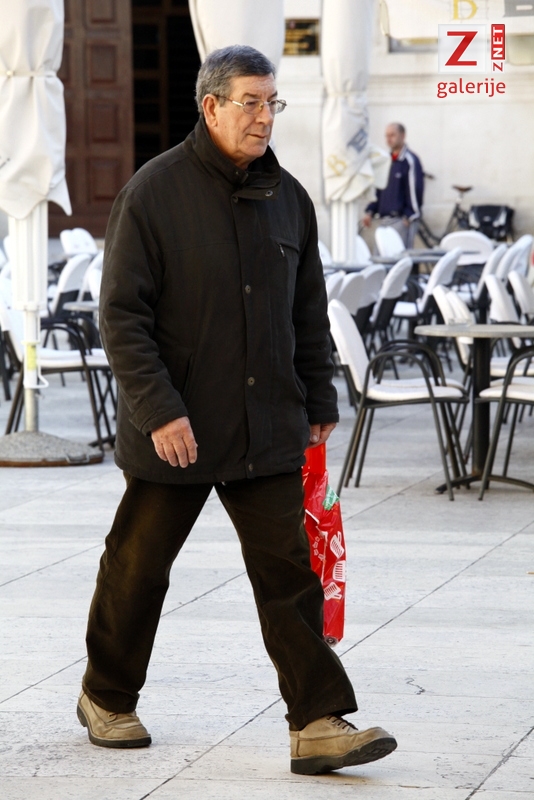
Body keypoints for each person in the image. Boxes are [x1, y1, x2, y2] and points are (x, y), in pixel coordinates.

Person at [77, 45, 397, 776]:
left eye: (271, 102)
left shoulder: (289, 197)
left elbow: (306, 310)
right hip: (178, 427)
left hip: (266, 424)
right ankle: (106, 696)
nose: (264, 117)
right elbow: (121, 316)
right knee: (137, 569)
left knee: (288, 576)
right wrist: (160, 410)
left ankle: (316, 720)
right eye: (250, 102)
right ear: (211, 106)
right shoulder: (152, 193)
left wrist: (319, 394)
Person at [362, 122, 424, 249]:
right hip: (383, 221)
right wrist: (370, 211)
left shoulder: (409, 161)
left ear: (402, 135)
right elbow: (379, 189)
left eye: (392, 135)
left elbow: (415, 190)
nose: (389, 139)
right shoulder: (386, 161)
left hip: (400, 221)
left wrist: (409, 216)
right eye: (387, 136)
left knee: (399, 257)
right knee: (379, 256)